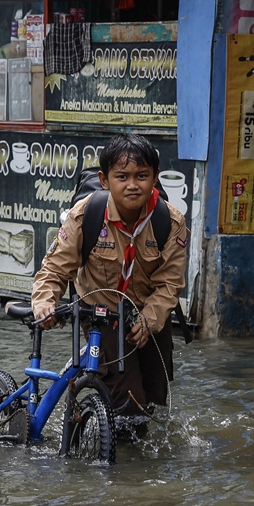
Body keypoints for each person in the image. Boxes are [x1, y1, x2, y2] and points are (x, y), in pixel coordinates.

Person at [31, 133, 189, 419]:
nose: (132, 185)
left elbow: (170, 284)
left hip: (149, 316)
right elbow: (54, 269)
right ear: (105, 180)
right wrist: (45, 303)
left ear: (155, 178)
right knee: (130, 408)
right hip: (102, 316)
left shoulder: (171, 221)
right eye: (122, 176)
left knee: (156, 404)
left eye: (142, 175)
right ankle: (116, 451)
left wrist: (149, 319)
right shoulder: (85, 215)